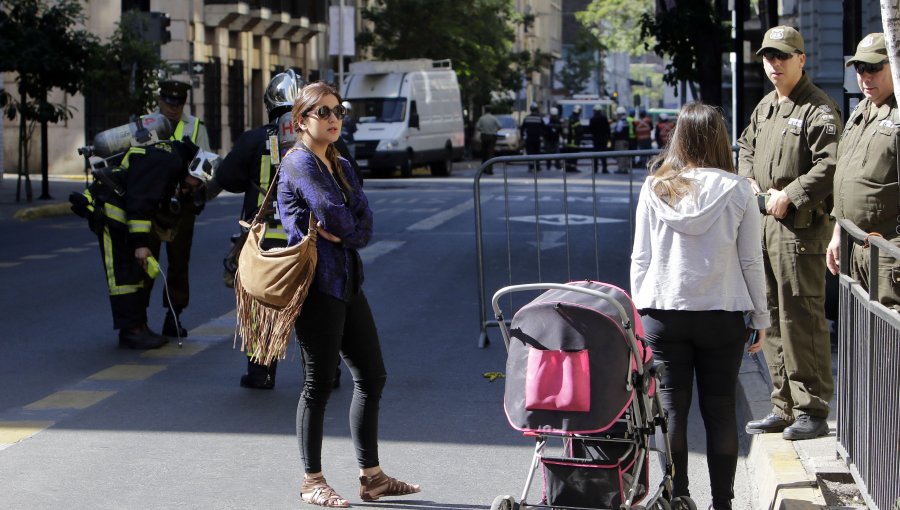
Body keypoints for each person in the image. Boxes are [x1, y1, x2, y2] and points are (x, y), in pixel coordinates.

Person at [278, 81, 420, 507]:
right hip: (317, 285)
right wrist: (345, 229)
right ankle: (312, 480)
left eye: (338, 111)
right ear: (300, 121)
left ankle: (371, 476)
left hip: (347, 281)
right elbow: (337, 215)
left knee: (372, 375)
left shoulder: (339, 162)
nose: (334, 118)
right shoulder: (299, 163)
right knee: (318, 384)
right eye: (323, 112)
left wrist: (347, 233)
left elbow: (361, 219)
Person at [631, 102, 770, 510]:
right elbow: (750, 261)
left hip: (664, 310)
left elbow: (641, 258)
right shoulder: (739, 189)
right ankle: (723, 503)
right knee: (720, 408)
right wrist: (761, 316)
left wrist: (642, 310)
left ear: (680, 139)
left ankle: (678, 495)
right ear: (720, 139)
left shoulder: (655, 187)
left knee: (671, 410)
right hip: (722, 312)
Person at [215, 70, 351, 390]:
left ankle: (260, 373)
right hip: (313, 241)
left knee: (265, 306)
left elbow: (227, 178)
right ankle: (326, 373)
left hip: (267, 243)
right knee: (316, 309)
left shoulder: (254, 140)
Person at [737, 25, 841, 441]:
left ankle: (812, 408)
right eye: (768, 56)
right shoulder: (765, 107)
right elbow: (745, 147)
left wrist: (792, 193)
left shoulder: (818, 109)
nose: (774, 63)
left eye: (783, 56)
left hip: (800, 233)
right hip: (765, 227)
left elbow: (832, 164)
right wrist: (747, 180)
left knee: (802, 319)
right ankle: (784, 405)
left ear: (801, 59)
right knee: (773, 318)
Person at [74, 139, 216, 349]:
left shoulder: (170, 159)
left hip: (121, 211)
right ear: (193, 167)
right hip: (113, 211)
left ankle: (138, 326)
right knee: (123, 277)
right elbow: (142, 200)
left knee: (133, 273)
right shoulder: (167, 162)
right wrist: (141, 243)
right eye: (193, 184)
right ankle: (132, 331)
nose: (189, 189)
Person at [827, 33, 900, 310]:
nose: (866, 76)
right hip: (856, 246)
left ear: (894, 65)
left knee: (889, 345)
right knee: (862, 345)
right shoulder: (861, 110)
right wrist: (837, 233)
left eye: (874, 68)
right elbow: (846, 177)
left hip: (889, 249)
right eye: (860, 69)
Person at [148, 79, 212, 339]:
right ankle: (137, 319)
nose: (173, 108)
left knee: (178, 263)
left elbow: (207, 162)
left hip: (181, 205)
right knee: (145, 260)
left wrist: (192, 181)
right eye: (168, 102)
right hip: (150, 204)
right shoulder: (145, 124)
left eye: (178, 103)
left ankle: (172, 316)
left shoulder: (195, 126)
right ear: (160, 100)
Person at [475, 106, 502, 171]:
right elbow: (500, 126)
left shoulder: (481, 118)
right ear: (490, 111)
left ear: (485, 110)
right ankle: (490, 169)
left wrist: (482, 129)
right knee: (490, 153)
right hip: (492, 136)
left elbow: (477, 127)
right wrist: (495, 130)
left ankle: (483, 168)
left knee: (484, 153)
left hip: (484, 136)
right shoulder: (493, 118)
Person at [520, 103, 544, 172]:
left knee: (530, 153)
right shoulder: (539, 118)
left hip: (529, 139)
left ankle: (530, 167)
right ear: (536, 109)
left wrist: (522, 137)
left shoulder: (526, 118)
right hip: (537, 139)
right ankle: (537, 166)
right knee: (537, 153)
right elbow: (544, 128)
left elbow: (522, 128)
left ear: (530, 109)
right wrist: (542, 136)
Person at [589, 104, 611, 173]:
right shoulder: (604, 118)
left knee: (595, 155)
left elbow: (591, 130)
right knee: (603, 155)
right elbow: (608, 129)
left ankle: (595, 169)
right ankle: (604, 168)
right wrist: (608, 138)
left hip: (596, 139)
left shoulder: (592, 119)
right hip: (603, 139)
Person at [611, 106, 633, 174]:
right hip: (626, 140)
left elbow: (617, 131)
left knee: (620, 155)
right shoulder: (626, 121)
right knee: (625, 155)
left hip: (620, 141)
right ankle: (624, 168)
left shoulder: (620, 122)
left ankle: (621, 169)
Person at [563, 106, 583, 173]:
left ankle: (567, 167)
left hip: (569, 141)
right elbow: (579, 131)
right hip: (574, 141)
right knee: (574, 156)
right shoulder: (576, 119)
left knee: (569, 155)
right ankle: (573, 168)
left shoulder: (570, 118)